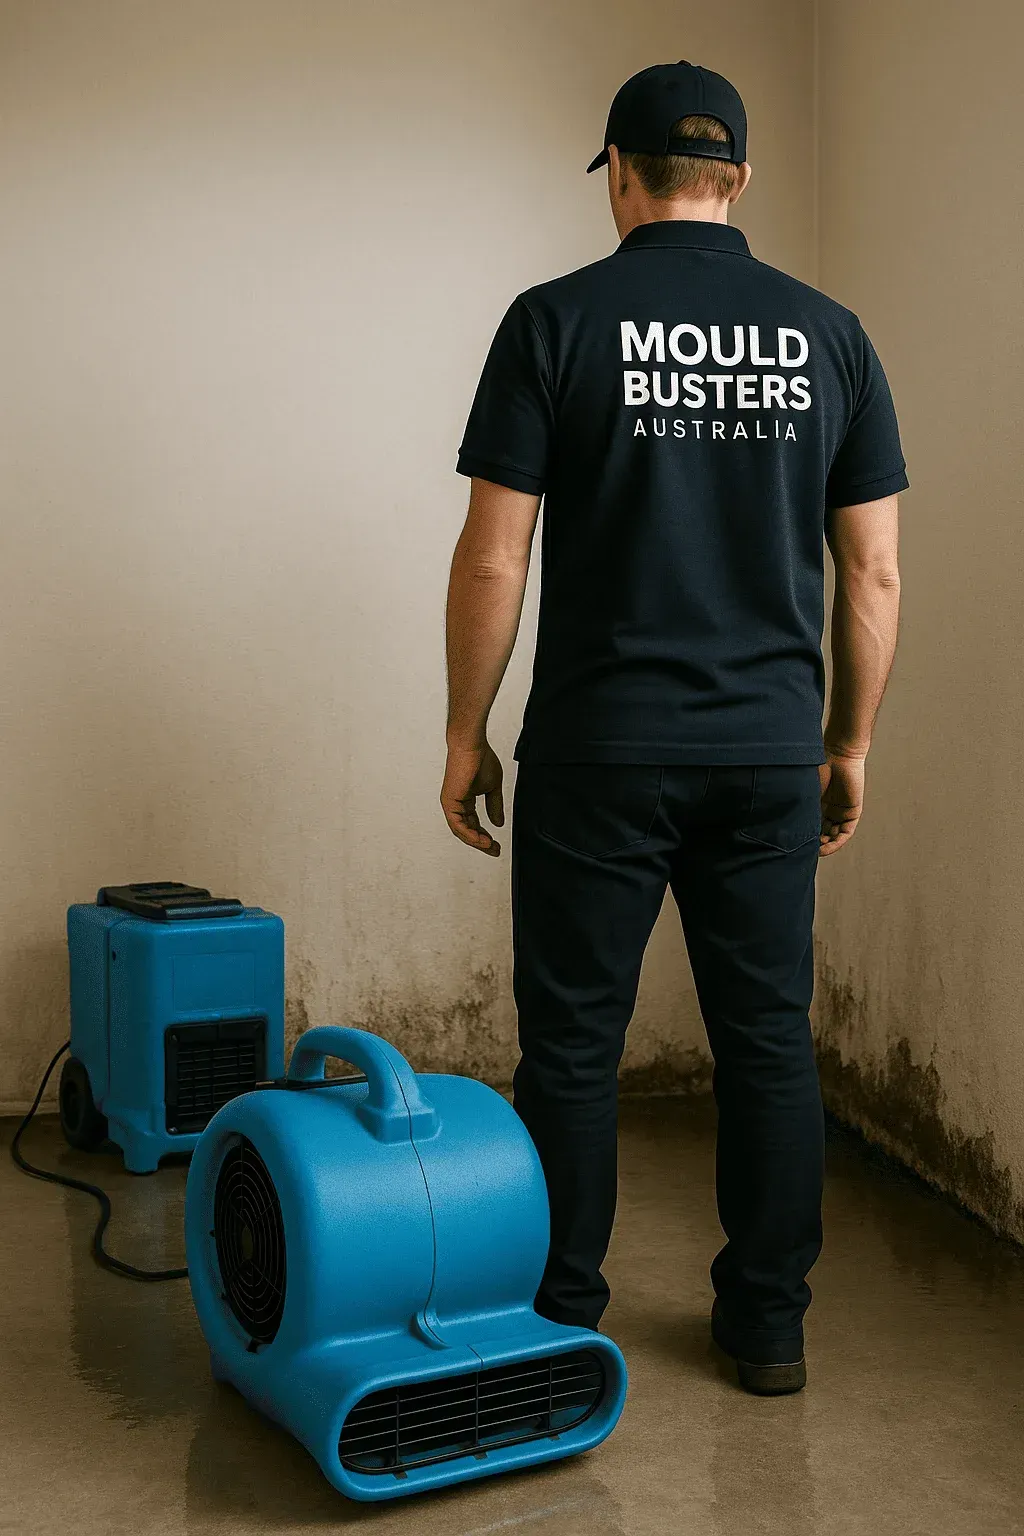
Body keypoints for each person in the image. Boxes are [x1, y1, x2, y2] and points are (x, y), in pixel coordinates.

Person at [441, 61, 905, 1396]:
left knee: (573, 1046)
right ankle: (767, 1329)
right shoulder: (831, 336)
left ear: (622, 178)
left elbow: (493, 560)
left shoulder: (555, 322)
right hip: (766, 752)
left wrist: (468, 731)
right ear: (739, 181)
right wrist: (847, 743)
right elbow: (870, 574)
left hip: (599, 749)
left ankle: (561, 1316)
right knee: (767, 1042)